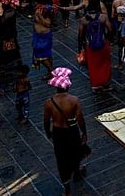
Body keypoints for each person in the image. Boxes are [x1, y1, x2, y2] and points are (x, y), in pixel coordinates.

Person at [43, 68, 87, 196]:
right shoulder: (74, 100)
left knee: (61, 158)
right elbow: (80, 119)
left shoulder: (49, 103)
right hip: (72, 130)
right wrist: (84, 132)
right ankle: (77, 170)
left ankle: (67, 187)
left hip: (58, 133)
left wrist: (48, 132)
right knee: (75, 151)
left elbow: (46, 121)